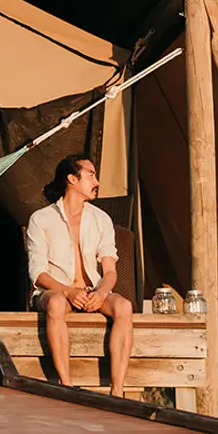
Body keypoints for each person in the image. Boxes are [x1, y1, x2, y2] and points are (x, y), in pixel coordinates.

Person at [25, 153, 133, 397]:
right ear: (72, 179)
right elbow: (37, 272)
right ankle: (67, 385)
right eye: (91, 175)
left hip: (92, 291)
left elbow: (109, 270)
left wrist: (102, 291)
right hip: (56, 291)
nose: (97, 181)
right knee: (55, 303)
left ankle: (117, 391)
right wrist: (67, 291)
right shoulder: (41, 219)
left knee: (124, 307)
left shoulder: (100, 219)